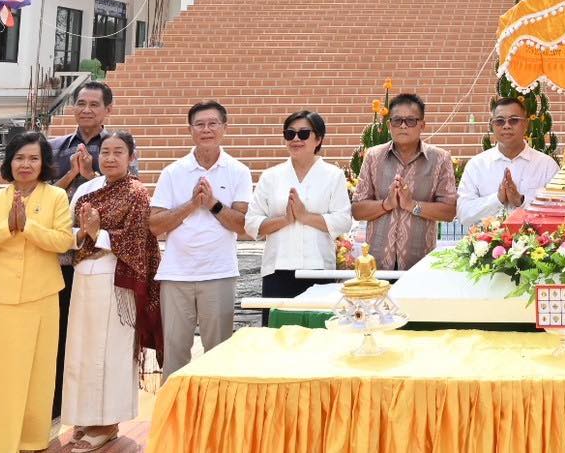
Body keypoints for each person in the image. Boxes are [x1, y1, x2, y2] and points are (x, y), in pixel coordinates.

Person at [0, 130, 74, 453]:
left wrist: (28, 227)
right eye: (20, 158)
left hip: (42, 297)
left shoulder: (56, 198)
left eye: (34, 158)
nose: (26, 164)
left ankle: (32, 439)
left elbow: (63, 242)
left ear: (44, 163)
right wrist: (6, 227)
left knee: (37, 374)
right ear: (9, 162)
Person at [63, 131, 161, 453]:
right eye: (105, 152)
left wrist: (98, 233)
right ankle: (87, 416)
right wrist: (83, 233)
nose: (111, 158)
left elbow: (137, 240)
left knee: (109, 352)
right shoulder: (88, 189)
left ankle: (107, 422)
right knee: (83, 348)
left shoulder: (136, 192)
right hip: (83, 275)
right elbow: (69, 232)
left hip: (115, 279)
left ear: (132, 158)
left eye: (119, 152)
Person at [148, 100, 252, 381]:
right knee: (174, 355)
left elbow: (243, 226)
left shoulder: (238, 171)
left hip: (219, 272)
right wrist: (192, 205)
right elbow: (154, 224)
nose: (206, 130)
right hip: (176, 274)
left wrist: (214, 204)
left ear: (224, 128)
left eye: (213, 123)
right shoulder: (173, 171)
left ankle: (216, 421)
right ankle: (173, 421)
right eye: (200, 124)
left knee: (218, 354)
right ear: (190, 129)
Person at [48, 81, 132, 421]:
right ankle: (54, 401)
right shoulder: (55, 147)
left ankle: (91, 409)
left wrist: (93, 174)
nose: (86, 109)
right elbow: (40, 192)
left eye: (94, 104)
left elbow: (126, 191)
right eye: (80, 102)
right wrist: (71, 176)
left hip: (95, 258)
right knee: (55, 327)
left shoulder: (116, 146)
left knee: (88, 334)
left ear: (108, 110)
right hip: (56, 250)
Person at [245, 111, 353, 325]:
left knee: (318, 336)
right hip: (278, 270)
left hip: (319, 269)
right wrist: (285, 220)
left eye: (303, 134)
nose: (295, 139)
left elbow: (343, 221)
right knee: (279, 338)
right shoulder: (271, 176)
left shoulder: (333, 175)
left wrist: (304, 216)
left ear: (318, 138)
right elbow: (251, 223)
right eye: (290, 133)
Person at [351, 93, 458, 269]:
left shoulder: (440, 159)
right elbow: (357, 210)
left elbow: (449, 211)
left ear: (422, 125)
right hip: (377, 264)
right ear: (389, 125)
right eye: (397, 120)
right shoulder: (373, 157)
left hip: (419, 264)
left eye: (410, 121)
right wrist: (387, 203)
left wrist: (412, 205)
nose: (402, 126)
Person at [456, 97, 560, 226]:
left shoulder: (547, 166)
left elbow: (558, 211)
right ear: (492, 125)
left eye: (514, 120)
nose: (506, 126)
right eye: (500, 121)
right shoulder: (477, 165)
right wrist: (497, 199)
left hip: (537, 245)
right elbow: (464, 215)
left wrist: (521, 201)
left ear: (526, 124)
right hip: (485, 244)